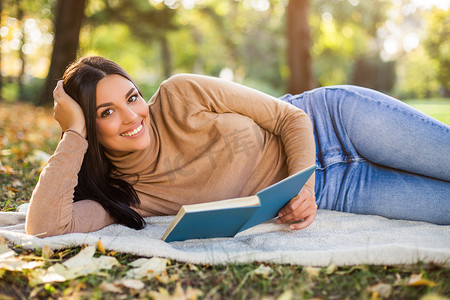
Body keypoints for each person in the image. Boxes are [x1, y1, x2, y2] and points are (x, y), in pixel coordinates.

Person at [25, 56, 450, 237]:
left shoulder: (181, 94)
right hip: (342, 189)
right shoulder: (122, 197)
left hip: (337, 122)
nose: (133, 116)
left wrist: (303, 187)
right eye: (106, 113)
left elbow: (290, 118)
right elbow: (46, 226)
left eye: (132, 97)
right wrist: (73, 134)